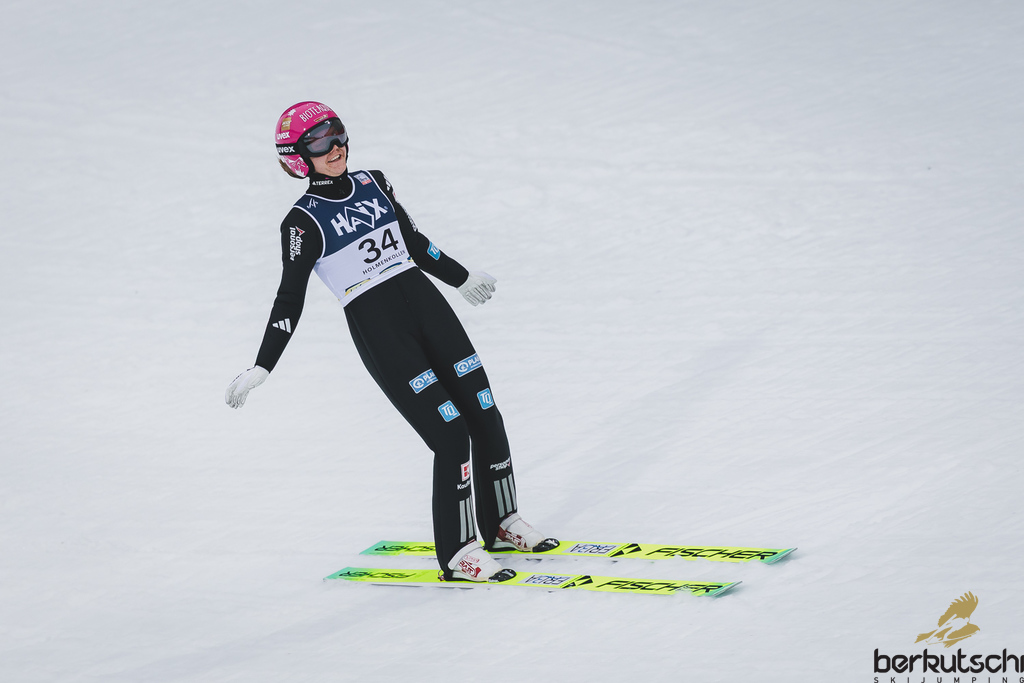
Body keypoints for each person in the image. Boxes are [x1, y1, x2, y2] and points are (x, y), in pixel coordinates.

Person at [225, 101, 557, 582]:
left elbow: (415, 243)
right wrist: (263, 365)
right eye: (319, 142)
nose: (335, 148)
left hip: (430, 311)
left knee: (485, 414)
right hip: (382, 330)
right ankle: (458, 552)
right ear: (297, 158)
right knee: (450, 435)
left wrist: (461, 277)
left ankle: (502, 522)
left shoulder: (374, 182)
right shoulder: (301, 222)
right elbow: (288, 297)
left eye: (338, 134)